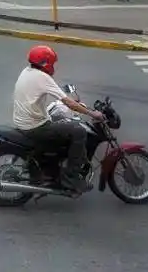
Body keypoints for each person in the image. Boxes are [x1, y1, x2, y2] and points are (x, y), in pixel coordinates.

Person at [12, 45, 104, 193]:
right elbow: (68, 102)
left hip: (25, 122)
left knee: (62, 127)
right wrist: (92, 113)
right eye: (52, 63)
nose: (53, 66)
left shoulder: (27, 71)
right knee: (78, 131)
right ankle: (71, 178)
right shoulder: (43, 77)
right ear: (45, 63)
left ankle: (54, 168)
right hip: (35, 127)